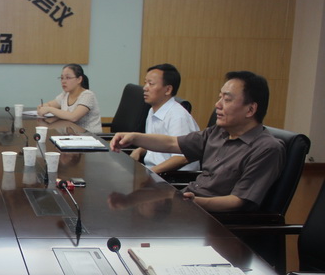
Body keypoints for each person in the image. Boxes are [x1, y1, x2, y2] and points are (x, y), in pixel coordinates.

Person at [111, 71, 285, 212]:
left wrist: (193, 202)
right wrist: (134, 137)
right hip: (188, 205)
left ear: (250, 109)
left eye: (227, 99)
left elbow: (237, 201)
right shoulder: (218, 132)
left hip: (215, 221)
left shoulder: (266, 148)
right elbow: (173, 143)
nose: (218, 105)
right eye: (220, 97)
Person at [130, 64, 200, 174]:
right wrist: (139, 150)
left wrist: (150, 174)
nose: (145, 88)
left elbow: (182, 157)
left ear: (168, 90)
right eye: (145, 83)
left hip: (173, 176)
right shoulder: (152, 110)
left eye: (151, 84)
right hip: (154, 171)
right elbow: (156, 142)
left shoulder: (178, 116)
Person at [36, 63, 102, 133]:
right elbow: (49, 104)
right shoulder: (65, 94)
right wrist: (43, 107)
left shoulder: (88, 95)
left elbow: (73, 117)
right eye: (62, 78)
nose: (63, 81)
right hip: (72, 135)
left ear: (79, 79)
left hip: (89, 136)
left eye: (68, 78)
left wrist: (49, 109)